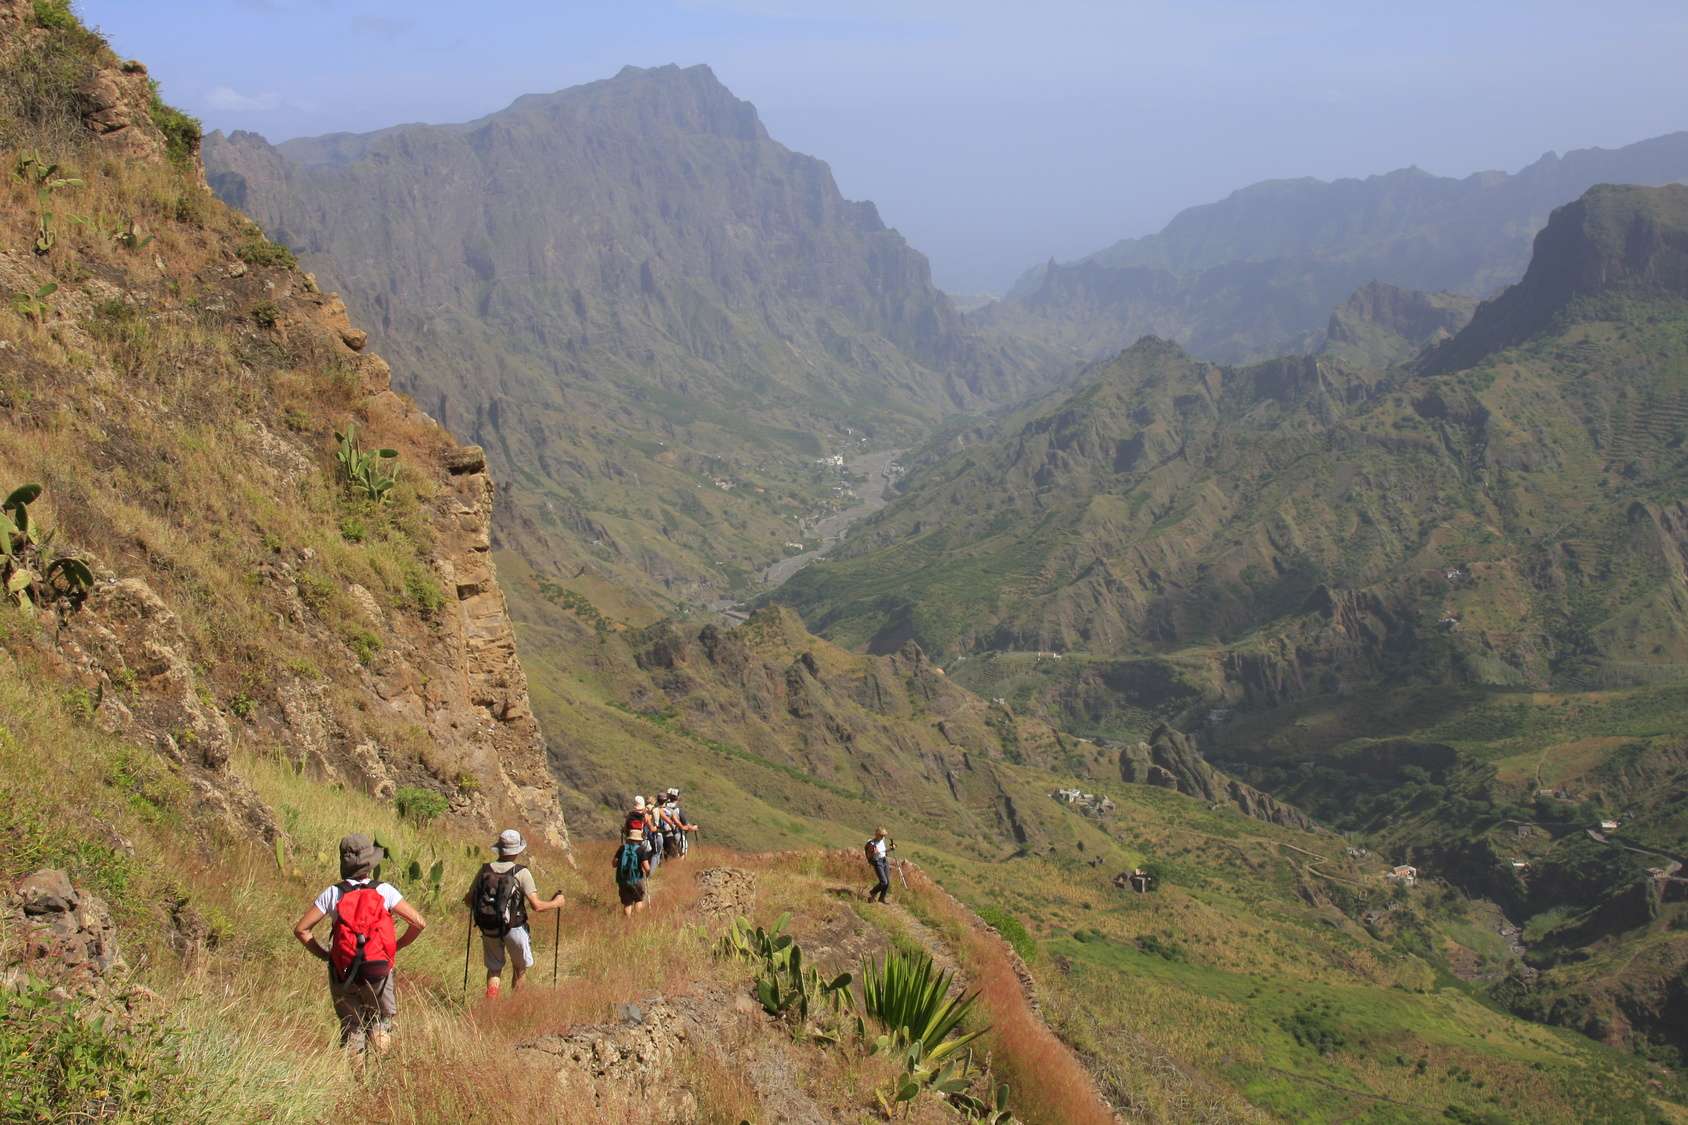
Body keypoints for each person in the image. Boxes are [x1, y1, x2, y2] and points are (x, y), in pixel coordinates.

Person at [292, 834, 427, 1054]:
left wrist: (326, 955)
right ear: (370, 863)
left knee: (352, 1028)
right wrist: (397, 945)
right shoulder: (384, 891)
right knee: (380, 1023)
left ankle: (358, 1076)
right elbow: (419, 923)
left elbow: (301, 930)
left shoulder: (333, 893)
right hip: (378, 970)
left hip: (343, 972)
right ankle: (379, 1073)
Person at [465, 829, 566, 999]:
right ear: (517, 851)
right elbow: (537, 906)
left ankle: (491, 1004)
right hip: (514, 927)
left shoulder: (485, 870)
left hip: (489, 927)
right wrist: (557, 902)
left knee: (494, 969)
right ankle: (515, 1004)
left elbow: (469, 900)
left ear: (499, 849)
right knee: (519, 969)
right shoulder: (521, 872)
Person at [615, 827, 651, 917]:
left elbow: (614, 863)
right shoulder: (641, 850)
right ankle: (637, 919)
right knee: (638, 899)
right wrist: (648, 874)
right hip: (636, 879)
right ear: (639, 840)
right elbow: (647, 868)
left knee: (627, 902)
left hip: (623, 880)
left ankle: (628, 920)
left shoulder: (622, 848)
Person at [865, 826, 894, 903]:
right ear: (877, 835)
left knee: (887, 882)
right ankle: (872, 892)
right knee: (884, 882)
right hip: (877, 862)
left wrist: (891, 849)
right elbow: (870, 853)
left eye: (884, 835)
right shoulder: (871, 843)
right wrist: (873, 851)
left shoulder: (882, 840)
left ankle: (881, 898)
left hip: (884, 860)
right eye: (881, 835)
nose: (883, 837)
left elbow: (884, 851)